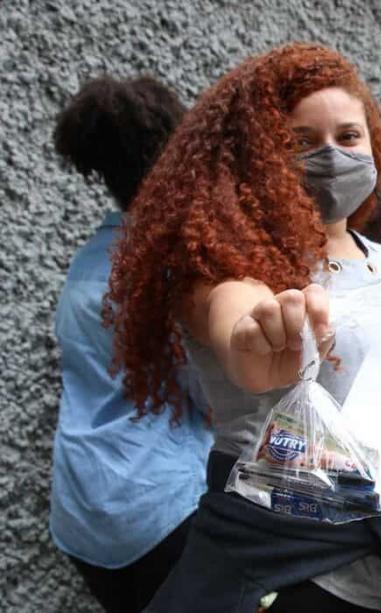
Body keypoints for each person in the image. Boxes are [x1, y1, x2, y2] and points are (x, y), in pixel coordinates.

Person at [106, 44, 381, 613]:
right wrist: (252, 335)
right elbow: (237, 314)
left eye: (348, 136)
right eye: (300, 142)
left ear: (374, 144)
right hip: (293, 565)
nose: (333, 156)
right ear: (256, 155)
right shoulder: (222, 263)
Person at [49, 75, 212, 613]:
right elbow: (214, 399)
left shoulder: (86, 263)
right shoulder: (167, 273)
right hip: (159, 508)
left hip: (79, 507)